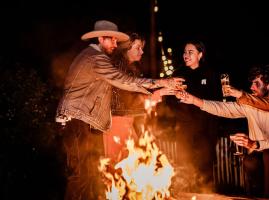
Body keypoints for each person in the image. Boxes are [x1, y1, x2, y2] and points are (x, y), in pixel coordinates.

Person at [55, 20, 184, 200]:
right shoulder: (96, 58)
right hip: (77, 121)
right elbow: (122, 83)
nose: (117, 45)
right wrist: (160, 84)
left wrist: (156, 90)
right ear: (101, 38)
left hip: (85, 121)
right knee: (81, 177)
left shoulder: (97, 57)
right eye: (113, 40)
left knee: (90, 176)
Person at [174, 64, 269, 198]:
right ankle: (260, 196)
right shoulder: (251, 104)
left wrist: (256, 144)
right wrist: (194, 100)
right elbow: (225, 108)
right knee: (250, 161)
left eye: (256, 83)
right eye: (251, 83)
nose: (251, 87)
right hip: (259, 153)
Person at [104, 32, 173, 162]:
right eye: (137, 48)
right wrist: (159, 92)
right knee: (124, 166)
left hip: (123, 121)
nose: (141, 52)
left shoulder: (128, 68)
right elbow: (129, 101)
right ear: (126, 48)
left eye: (142, 48)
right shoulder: (119, 67)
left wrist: (160, 92)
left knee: (132, 165)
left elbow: (134, 98)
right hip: (117, 122)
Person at [165, 40, 222, 192]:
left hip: (205, 127)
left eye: (191, 52)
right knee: (184, 165)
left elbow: (217, 102)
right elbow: (169, 101)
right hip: (184, 128)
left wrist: (214, 128)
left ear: (200, 54)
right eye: (185, 52)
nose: (186, 55)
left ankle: (206, 193)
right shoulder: (178, 74)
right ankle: (187, 194)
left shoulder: (210, 74)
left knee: (204, 166)